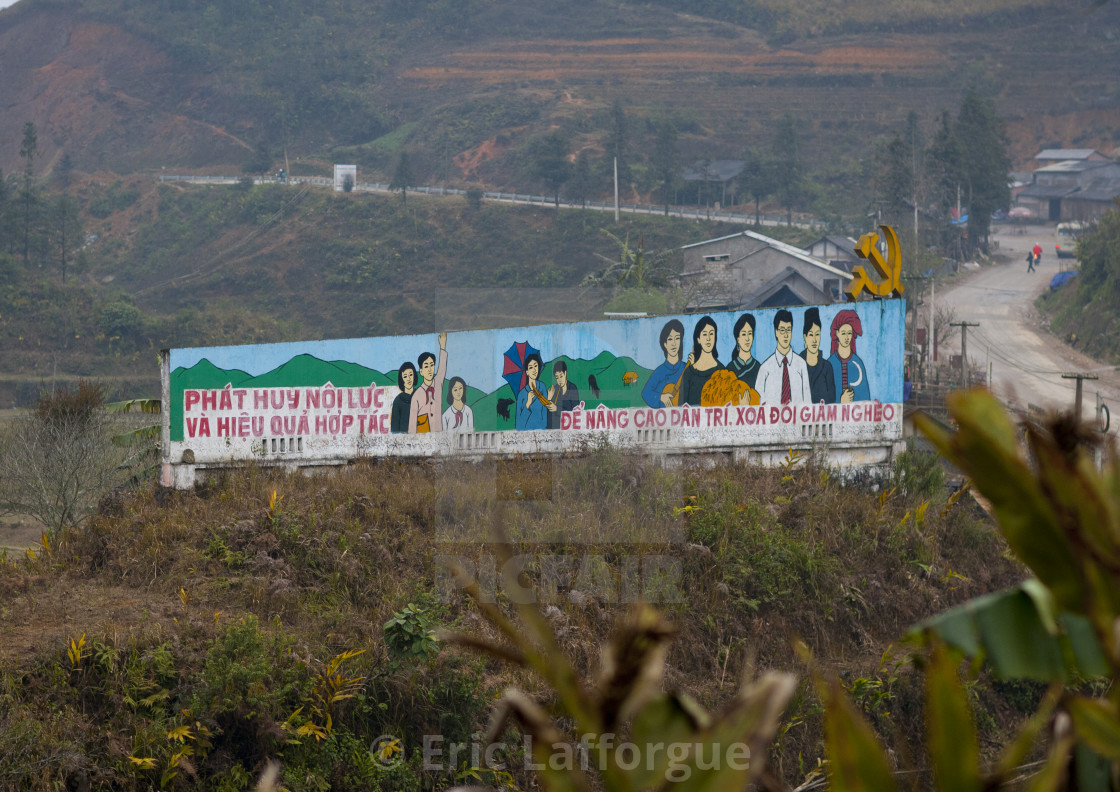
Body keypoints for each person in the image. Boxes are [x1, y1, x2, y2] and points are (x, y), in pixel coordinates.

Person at [756, 309, 811, 404]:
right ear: (776, 332)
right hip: (773, 418)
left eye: (788, 330)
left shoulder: (801, 364)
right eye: (782, 330)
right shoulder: (765, 369)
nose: (786, 335)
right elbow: (758, 405)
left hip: (797, 418)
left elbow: (807, 402)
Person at [677, 316, 724, 407]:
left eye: (711, 334)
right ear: (698, 339)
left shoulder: (722, 371)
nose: (708, 338)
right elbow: (681, 408)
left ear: (715, 337)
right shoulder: (689, 372)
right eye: (705, 334)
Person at [827, 309, 871, 403]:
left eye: (849, 333)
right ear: (837, 333)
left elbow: (865, 400)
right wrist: (840, 401)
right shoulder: (829, 364)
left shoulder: (858, 363)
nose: (846, 337)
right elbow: (823, 402)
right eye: (843, 333)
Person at [642, 319, 686, 408]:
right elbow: (646, 393)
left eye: (677, 338)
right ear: (665, 344)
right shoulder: (660, 371)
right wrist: (661, 397)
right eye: (670, 339)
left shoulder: (686, 368)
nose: (674, 343)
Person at [408, 332, 448, 433]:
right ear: (421, 371)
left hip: (438, 437)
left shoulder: (438, 384)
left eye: (431, 365)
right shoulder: (416, 395)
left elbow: (442, 369)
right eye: (426, 366)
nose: (429, 369)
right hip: (423, 440)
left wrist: (442, 347)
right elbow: (412, 425)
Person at [800, 307, 836, 404]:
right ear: (805, 337)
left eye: (817, 334)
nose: (815, 340)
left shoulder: (827, 367)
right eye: (811, 335)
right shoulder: (797, 366)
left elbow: (832, 401)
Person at [516, 353, 551, 430]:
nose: (534, 370)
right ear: (527, 372)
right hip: (526, 435)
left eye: (536, 366)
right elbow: (518, 425)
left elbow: (545, 413)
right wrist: (528, 404)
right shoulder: (522, 394)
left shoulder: (542, 387)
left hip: (541, 433)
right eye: (531, 367)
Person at [727, 313, 761, 388]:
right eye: (743, 334)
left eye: (750, 333)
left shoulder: (758, 368)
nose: (747, 339)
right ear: (738, 339)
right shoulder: (730, 368)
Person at [546, 361, 580, 429]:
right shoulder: (554, 390)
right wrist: (548, 399)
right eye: (557, 377)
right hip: (555, 428)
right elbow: (549, 416)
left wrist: (556, 409)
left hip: (568, 428)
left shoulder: (572, 388)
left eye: (561, 376)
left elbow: (575, 412)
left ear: (565, 373)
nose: (559, 380)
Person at [390, 362, 417, 434]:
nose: (408, 379)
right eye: (405, 376)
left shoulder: (420, 395)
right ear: (401, 379)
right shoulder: (398, 401)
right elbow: (394, 429)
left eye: (411, 375)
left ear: (414, 376)